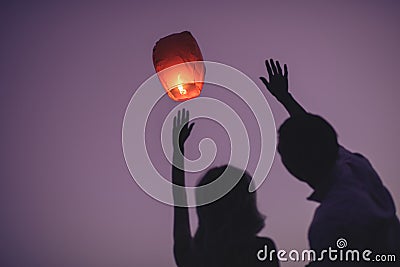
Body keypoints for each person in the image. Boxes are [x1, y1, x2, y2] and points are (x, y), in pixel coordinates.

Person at [260, 59, 400, 266]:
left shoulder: (329, 222)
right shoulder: (357, 168)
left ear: (294, 169)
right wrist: (285, 98)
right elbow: (312, 135)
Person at [171, 109, 279, 267]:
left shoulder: (191, 256)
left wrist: (178, 152)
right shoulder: (261, 250)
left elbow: (180, 206)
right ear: (246, 203)